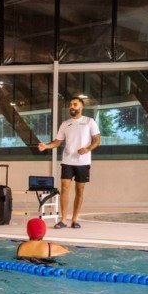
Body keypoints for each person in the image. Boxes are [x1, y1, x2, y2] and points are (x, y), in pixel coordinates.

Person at [37, 96, 101, 229]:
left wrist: (87, 149)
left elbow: (97, 140)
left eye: (75, 104)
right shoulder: (65, 124)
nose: (72, 106)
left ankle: (75, 219)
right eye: (71, 104)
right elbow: (57, 142)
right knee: (65, 188)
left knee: (80, 190)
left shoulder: (90, 122)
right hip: (67, 161)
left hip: (83, 162)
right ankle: (63, 220)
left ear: (81, 106)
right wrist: (46, 146)